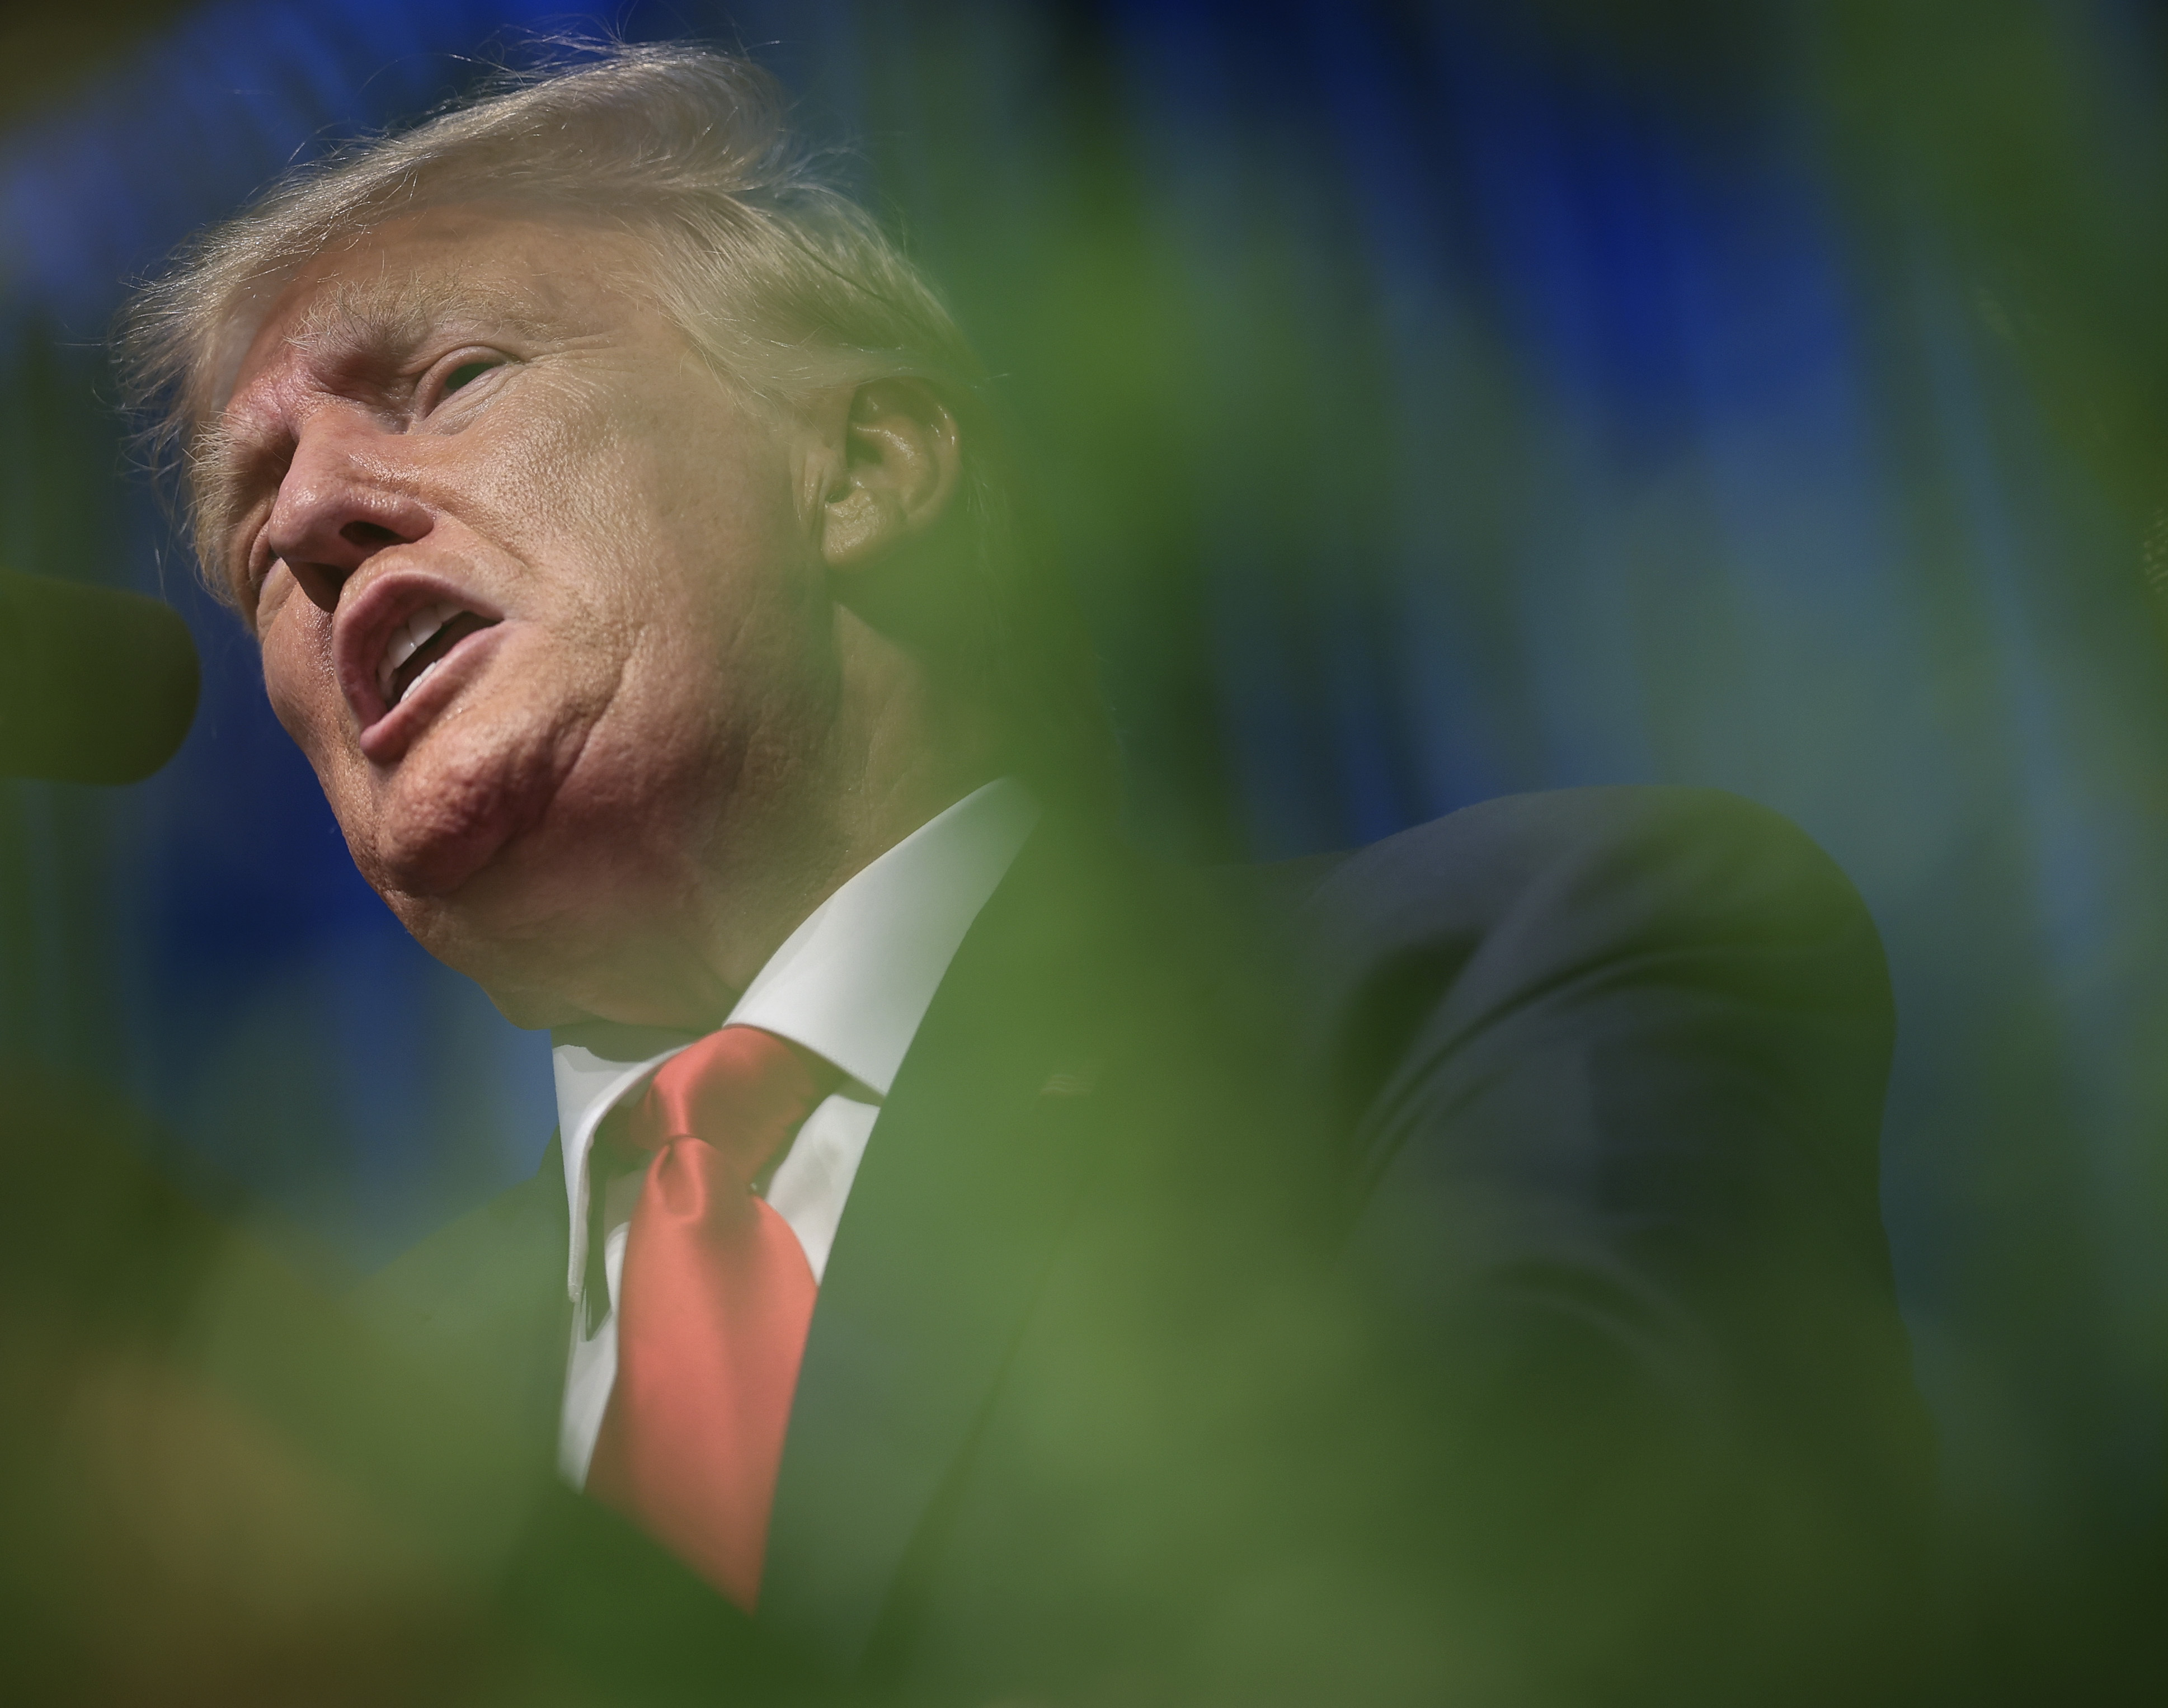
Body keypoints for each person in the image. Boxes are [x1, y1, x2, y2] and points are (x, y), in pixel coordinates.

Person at [117, 41, 1931, 1706]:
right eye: (254, 530)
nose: (312, 520)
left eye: (447, 381)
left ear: (868, 468)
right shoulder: (332, 1439)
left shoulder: (1507, 973)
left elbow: (1594, 1622)